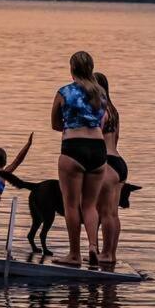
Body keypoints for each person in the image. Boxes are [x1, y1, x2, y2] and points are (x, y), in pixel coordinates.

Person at [51, 51, 108, 266]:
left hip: (73, 147)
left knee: (71, 205)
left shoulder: (64, 92)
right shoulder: (101, 93)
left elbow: (55, 124)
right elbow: (101, 122)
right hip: (98, 148)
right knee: (90, 205)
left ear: (72, 68)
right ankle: (93, 246)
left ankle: (74, 255)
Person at [94, 72, 126, 265]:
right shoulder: (114, 110)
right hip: (119, 163)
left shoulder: (99, 111)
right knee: (113, 213)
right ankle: (111, 254)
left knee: (104, 213)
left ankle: (105, 253)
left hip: (106, 163)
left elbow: (95, 139)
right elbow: (117, 138)